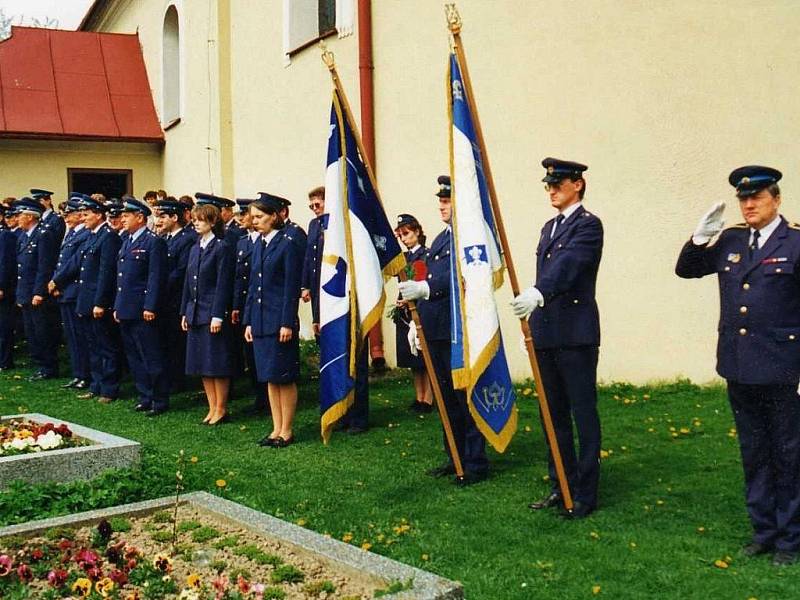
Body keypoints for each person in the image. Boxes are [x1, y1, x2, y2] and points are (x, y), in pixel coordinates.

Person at [676, 165, 800, 566]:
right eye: (743, 199)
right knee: (753, 452)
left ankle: (789, 539)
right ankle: (763, 531)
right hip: (739, 365)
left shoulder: (795, 243)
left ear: (776, 200)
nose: (748, 205)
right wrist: (699, 238)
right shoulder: (731, 239)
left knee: (787, 454)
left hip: (782, 368)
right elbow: (687, 269)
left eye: (757, 198)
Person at [511, 158, 604, 519]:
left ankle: (585, 492)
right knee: (553, 415)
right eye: (548, 184)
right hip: (548, 332)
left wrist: (537, 294)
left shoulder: (588, 226)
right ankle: (560, 483)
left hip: (575, 335)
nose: (551, 189)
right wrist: (534, 324)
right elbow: (547, 272)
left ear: (577, 185)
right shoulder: (549, 228)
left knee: (583, 414)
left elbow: (567, 269)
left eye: (558, 183)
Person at [399, 175, 489, 485]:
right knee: (444, 396)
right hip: (436, 328)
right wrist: (417, 322)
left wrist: (423, 289)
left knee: (462, 395)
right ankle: (454, 455)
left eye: (447, 201)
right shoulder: (440, 239)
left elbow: (455, 280)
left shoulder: (467, 238)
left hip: (457, 330)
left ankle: (475, 461)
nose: (441, 206)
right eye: (440, 201)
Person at [244, 193, 303, 448]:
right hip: (260, 320)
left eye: (260, 216)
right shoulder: (259, 243)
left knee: (283, 376)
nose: (254, 221)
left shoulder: (287, 243)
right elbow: (253, 286)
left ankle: (287, 430)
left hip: (279, 320)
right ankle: (275, 427)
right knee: (269, 376)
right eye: (253, 217)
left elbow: (290, 287)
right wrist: (248, 321)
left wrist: (287, 322)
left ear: (275, 216)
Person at [113, 196, 169, 416]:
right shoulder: (127, 240)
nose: (122, 219)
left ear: (140, 217)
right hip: (127, 307)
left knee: (151, 356)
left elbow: (155, 277)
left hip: (143, 309)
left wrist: (150, 306)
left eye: (126, 215)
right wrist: (118, 306)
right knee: (134, 356)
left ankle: (159, 398)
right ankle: (145, 395)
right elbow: (121, 279)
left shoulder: (152, 241)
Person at [181, 203, 236, 424]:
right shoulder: (196, 247)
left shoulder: (221, 247)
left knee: (216, 363)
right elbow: (188, 282)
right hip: (195, 311)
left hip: (211, 311)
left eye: (201, 219)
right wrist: (185, 311)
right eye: (194, 219)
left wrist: (218, 315)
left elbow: (223, 283)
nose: (196, 223)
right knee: (202, 363)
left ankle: (221, 407)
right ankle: (211, 406)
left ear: (213, 222)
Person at [48, 195, 91, 390]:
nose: (66, 217)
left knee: (80, 336)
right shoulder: (72, 233)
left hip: (74, 290)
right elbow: (61, 261)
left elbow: (73, 264)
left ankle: (84, 374)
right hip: (65, 290)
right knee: (72, 336)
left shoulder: (84, 235)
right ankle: (78, 373)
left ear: (80, 215)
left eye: (70, 213)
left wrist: (57, 281)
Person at [14, 197, 60, 381]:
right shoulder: (24, 236)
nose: (17, 218)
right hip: (26, 291)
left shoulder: (43, 235)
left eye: (20, 215)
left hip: (36, 292)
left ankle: (49, 366)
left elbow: (44, 266)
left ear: (31, 216)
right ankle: (39, 363)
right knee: (32, 331)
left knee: (42, 331)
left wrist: (39, 292)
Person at [155, 198, 197, 393]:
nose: (158, 220)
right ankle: (170, 378)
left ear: (174, 217)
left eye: (163, 216)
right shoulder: (164, 238)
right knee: (165, 341)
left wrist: (158, 286)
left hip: (175, 298)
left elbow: (181, 271)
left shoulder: (186, 239)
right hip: (163, 298)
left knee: (175, 342)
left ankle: (178, 381)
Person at [231, 197, 268, 413]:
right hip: (247, 303)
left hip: (263, 303)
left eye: (243, 215)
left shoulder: (264, 241)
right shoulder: (242, 242)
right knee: (251, 354)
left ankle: (267, 396)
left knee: (264, 354)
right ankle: (259, 395)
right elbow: (240, 277)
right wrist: (237, 305)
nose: (241, 220)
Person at [393, 213, 432, 413]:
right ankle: (419, 396)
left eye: (406, 233)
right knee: (413, 359)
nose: (404, 238)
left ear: (417, 231)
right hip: (405, 310)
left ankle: (428, 398)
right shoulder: (404, 258)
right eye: (400, 236)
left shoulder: (426, 254)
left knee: (424, 357)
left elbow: (422, 281)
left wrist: (410, 300)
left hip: (420, 308)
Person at [301, 186, 326, 339]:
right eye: (311, 206)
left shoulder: (336, 223)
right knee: (317, 324)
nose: (314, 209)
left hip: (330, 283)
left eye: (317, 205)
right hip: (316, 284)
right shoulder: (314, 224)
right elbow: (309, 256)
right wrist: (305, 286)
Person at [0, 205, 17, 370]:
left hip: (3, 288)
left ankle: (4, 360)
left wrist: (1, 286)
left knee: (3, 325)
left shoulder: (5, 235)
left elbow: (5, 263)